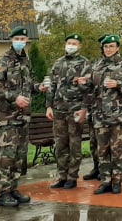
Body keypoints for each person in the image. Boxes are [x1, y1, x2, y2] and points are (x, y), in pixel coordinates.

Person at [0, 25, 39, 207]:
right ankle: (3, 193)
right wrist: (14, 97)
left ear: (27, 41)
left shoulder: (26, 62)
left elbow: (29, 83)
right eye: (17, 39)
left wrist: (38, 87)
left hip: (23, 117)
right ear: (12, 40)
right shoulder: (3, 61)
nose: (20, 42)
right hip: (8, 117)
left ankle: (13, 188)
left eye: (23, 39)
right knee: (7, 156)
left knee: (19, 156)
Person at [79, 34, 122, 195]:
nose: (108, 49)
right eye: (106, 46)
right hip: (99, 115)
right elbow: (91, 91)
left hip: (118, 115)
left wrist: (119, 84)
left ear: (117, 48)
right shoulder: (96, 66)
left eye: (111, 46)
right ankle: (105, 180)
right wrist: (84, 84)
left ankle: (117, 181)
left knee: (116, 150)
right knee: (102, 150)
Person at [44, 33, 90, 190]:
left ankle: (72, 177)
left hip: (75, 109)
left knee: (74, 144)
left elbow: (88, 89)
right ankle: (62, 176)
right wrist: (48, 106)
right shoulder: (59, 63)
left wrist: (84, 108)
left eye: (74, 43)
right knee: (60, 144)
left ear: (79, 46)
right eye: (69, 43)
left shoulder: (84, 63)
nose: (71, 45)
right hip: (59, 110)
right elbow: (52, 85)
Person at [82, 34, 107, 181]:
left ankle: (106, 171)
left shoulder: (118, 65)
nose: (104, 48)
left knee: (105, 144)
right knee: (93, 141)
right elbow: (90, 88)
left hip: (108, 111)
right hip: (94, 110)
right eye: (102, 45)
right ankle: (97, 167)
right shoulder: (96, 65)